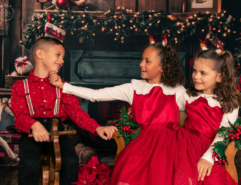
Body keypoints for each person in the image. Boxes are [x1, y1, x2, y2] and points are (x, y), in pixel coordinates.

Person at [49, 41, 186, 185]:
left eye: (147, 61)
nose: (141, 64)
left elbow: (199, 112)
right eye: (142, 59)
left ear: (162, 67)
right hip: (143, 144)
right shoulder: (134, 88)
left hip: (171, 147)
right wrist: (64, 86)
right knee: (128, 169)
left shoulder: (178, 91)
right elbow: (96, 95)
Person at [10, 37, 117, 185]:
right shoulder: (20, 87)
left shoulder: (62, 87)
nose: (62, 60)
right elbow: (20, 115)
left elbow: (77, 113)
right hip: (31, 134)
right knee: (29, 163)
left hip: (58, 133)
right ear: (40, 54)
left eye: (63, 56)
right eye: (58, 55)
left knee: (71, 161)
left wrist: (96, 127)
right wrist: (34, 125)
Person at [173, 49, 241, 185]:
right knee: (182, 177)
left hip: (211, 147)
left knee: (212, 179)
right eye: (194, 71)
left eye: (203, 73)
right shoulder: (189, 95)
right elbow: (172, 109)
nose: (196, 76)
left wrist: (208, 158)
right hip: (184, 145)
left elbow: (224, 132)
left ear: (219, 77)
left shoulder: (228, 102)